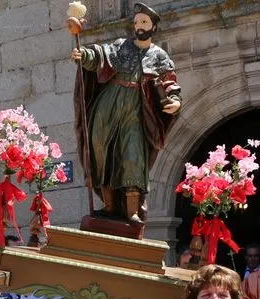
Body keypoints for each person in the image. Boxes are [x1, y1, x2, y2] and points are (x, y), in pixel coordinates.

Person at [72, 2, 181, 222]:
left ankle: (132, 211)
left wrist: (175, 100)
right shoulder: (121, 45)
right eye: (136, 22)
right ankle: (110, 207)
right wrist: (83, 54)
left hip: (136, 110)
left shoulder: (159, 55)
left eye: (144, 22)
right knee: (101, 152)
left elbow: (169, 81)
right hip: (108, 105)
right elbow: (100, 55)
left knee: (133, 157)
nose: (139, 26)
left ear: (153, 27)